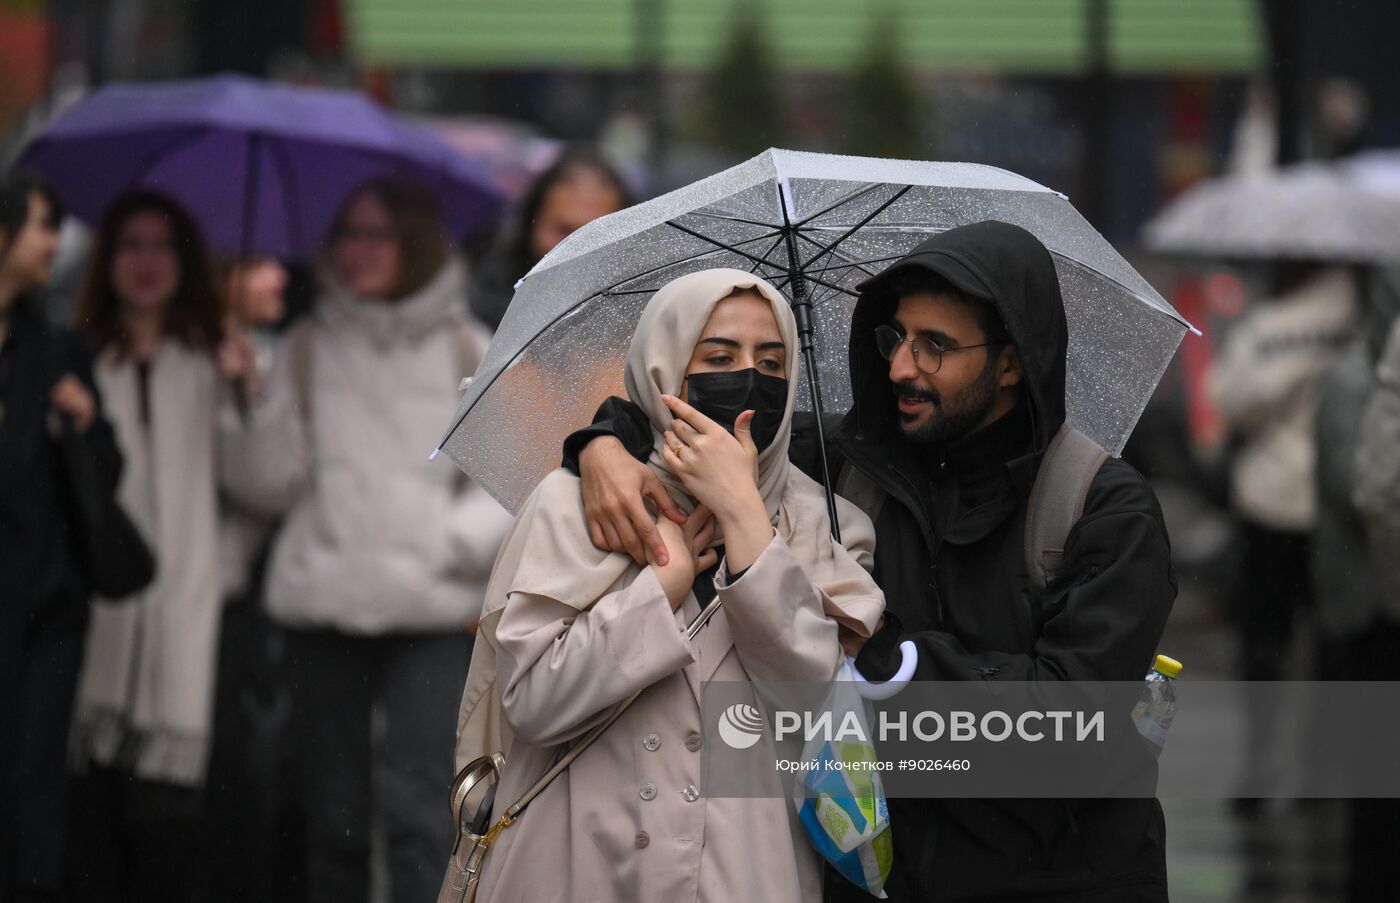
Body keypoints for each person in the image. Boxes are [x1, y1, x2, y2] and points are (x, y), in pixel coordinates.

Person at [567, 221, 1177, 901]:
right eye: (895, 338)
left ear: (1011, 363)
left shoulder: (1103, 509)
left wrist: (885, 652)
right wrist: (602, 445)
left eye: (935, 346)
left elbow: (1068, 729)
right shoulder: (846, 466)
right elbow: (683, 419)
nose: (900, 369)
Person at [455, 268, 883, 902]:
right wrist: (661, 586)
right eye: (719, 358)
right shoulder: (575, 503)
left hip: (745, 875)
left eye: (771, 362)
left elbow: (816, 708)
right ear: (664, 371)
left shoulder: (827, 524)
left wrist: (743, 516)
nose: (749, 380)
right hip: (582, 866)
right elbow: (534, 703)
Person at [219, 176, 511, 903]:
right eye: (347, 234)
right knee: (334, 819)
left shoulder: (465, 344)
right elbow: (269, 484)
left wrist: (449, 542)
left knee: (423, 813)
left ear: (412, 240)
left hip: (433, 612)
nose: (358, 251)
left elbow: (507, 478)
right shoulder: (307, 344)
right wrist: (247, 398)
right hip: (324, 607)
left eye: (376, 234)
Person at [66, 190, 229, 903]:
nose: (146, 262)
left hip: (189, 622)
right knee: (89, 836)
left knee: (170, 843)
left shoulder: (212, 362)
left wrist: (248, 395)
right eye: (131, 244)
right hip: (93, 625)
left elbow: (265, 485)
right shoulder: (77, 360)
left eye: (162, 246)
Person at [0, 172, 120, 903]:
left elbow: (107, 473)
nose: (55, 243)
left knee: (33, 793)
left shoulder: (56, 350)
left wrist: (84, 425)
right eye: (43, 225)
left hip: (44, 614)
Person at [1208, 263, 1358, 800]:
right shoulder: (1362, 320)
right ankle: (1309, 770)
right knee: (1325, 640)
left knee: (1271, 640)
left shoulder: (1274, 323)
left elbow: (1228, 398)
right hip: (1326, 504)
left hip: (1283, 505)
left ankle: (1269, 764)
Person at [468, 145, 630, 331]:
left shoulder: (636, 319)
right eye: (565, 231)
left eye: (597, 234)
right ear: (532, 223)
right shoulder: (478, 304)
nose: (579, 247)